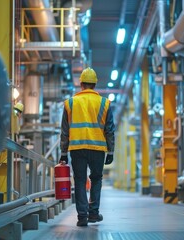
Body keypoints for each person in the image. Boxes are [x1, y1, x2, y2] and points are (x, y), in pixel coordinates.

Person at [59, 67, 115, 227]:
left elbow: (65, 131)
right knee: (96, 179)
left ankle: (82, 217)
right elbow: (110, 129)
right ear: (95, 84)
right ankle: (94, 213)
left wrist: (63, 153)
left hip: (77, 148)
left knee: (80, 180)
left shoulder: (70, 103)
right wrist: (111, 151)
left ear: (81, 84)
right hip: (97, 148)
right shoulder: (104, 103)